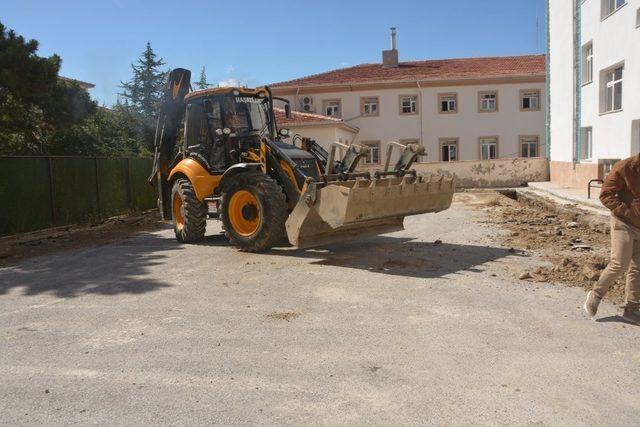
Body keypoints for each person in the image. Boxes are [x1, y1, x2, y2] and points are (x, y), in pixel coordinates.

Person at [584, 155, 640, 325]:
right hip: (623, 222)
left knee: (638, 268)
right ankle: (596, 294)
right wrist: (627, 212)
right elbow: (606, 194)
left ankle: (631, 309)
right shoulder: (625, 167)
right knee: (620, 263)